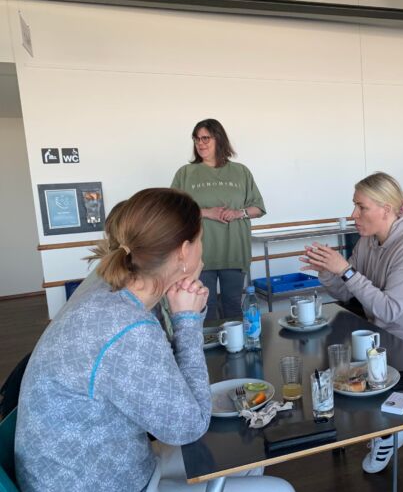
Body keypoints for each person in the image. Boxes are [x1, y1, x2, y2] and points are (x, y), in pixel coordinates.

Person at [15, 188, 293, 492]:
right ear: (184, 251)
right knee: (278, 489)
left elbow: (160, 371)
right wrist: (187, 321)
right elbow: (188, 427)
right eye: (201, 239)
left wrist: (179, 306)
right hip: (97, 482)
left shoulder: (108, 287)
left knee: (248, 455)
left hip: (105, 458)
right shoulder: (127, 327)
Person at [300, 171, 403, 473]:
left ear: (386, 209)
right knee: (334, 370)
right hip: (383, 335)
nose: (353, 215)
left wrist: (346, 271)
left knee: (351, 379)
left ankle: (389, 431)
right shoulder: (367, 242)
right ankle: (379, 427)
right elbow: (347, 293)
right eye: (354, 205)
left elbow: (389, 310)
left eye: (361, 207)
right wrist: (328, 272)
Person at [172, 119, 266, 321]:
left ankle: (237, 342)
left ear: (219, 139)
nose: (200, 143)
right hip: (199, 255)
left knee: (233, 305)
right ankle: (209, 343)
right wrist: (207, 212)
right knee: (205, 308)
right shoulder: (185, 173)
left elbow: (258, 208)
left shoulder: (241, 172)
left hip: (234, 251)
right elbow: (173, 210)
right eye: (197, 139)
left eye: (205, 138)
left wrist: (239, 213)